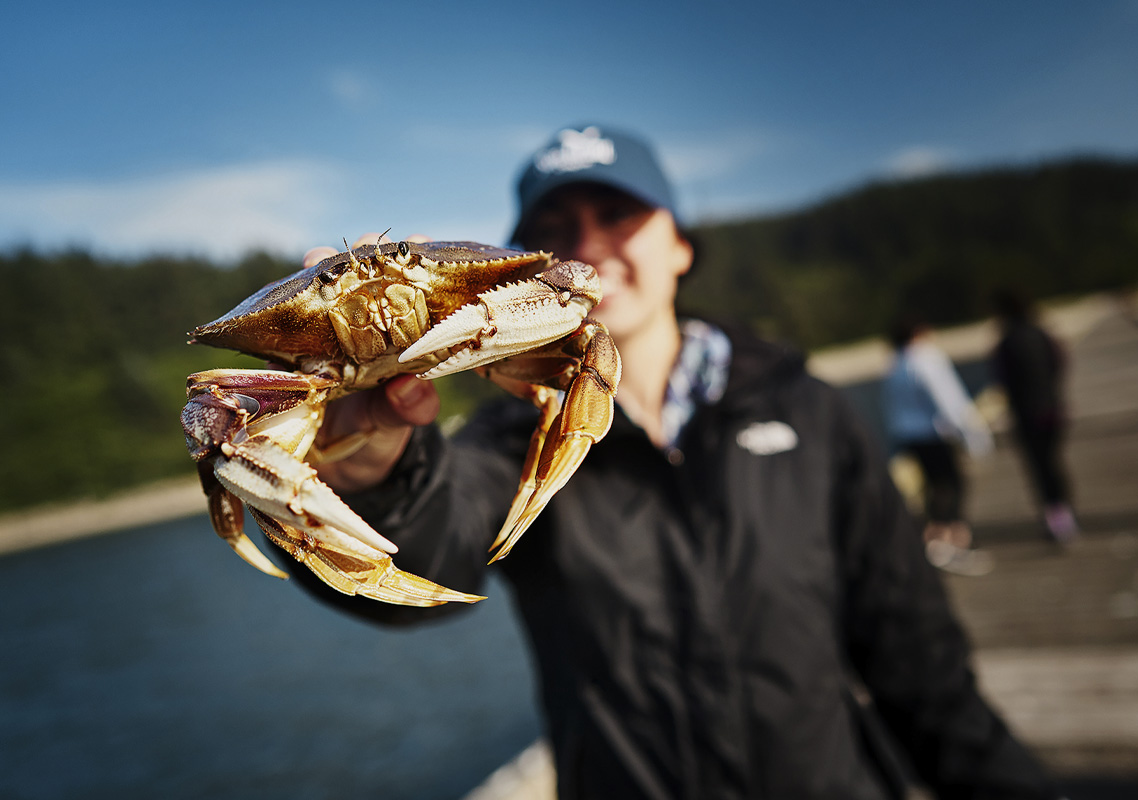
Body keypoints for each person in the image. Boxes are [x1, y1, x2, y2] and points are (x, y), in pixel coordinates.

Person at [292, 125, 1057, 799]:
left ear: (680, 242)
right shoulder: (507, 438)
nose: (589, 242)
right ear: (521, 266)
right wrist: (370, 475)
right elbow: (426, 560)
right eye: (555, 225)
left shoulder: (808, 413)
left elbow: (912, 649)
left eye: (618, 212)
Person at [883, 316, 996, 576]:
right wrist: (972, 435)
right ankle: (950, 545)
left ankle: (936, 543)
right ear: (918, 332)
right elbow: (948, 398)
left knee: (933, 488)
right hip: (934, 434)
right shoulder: (925, 358)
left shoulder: (895, 364)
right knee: (951, 485)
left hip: (910, 438)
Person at [991, 289, 1078, 543]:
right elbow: (1059, 363)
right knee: (1054, 463)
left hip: (1026, 416)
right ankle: (1066, 515)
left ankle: (1056, 519)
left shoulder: (1006, 343)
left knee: (1040, 469)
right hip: (1052, 410)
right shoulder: (1042, 334)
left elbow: (1002, 381)